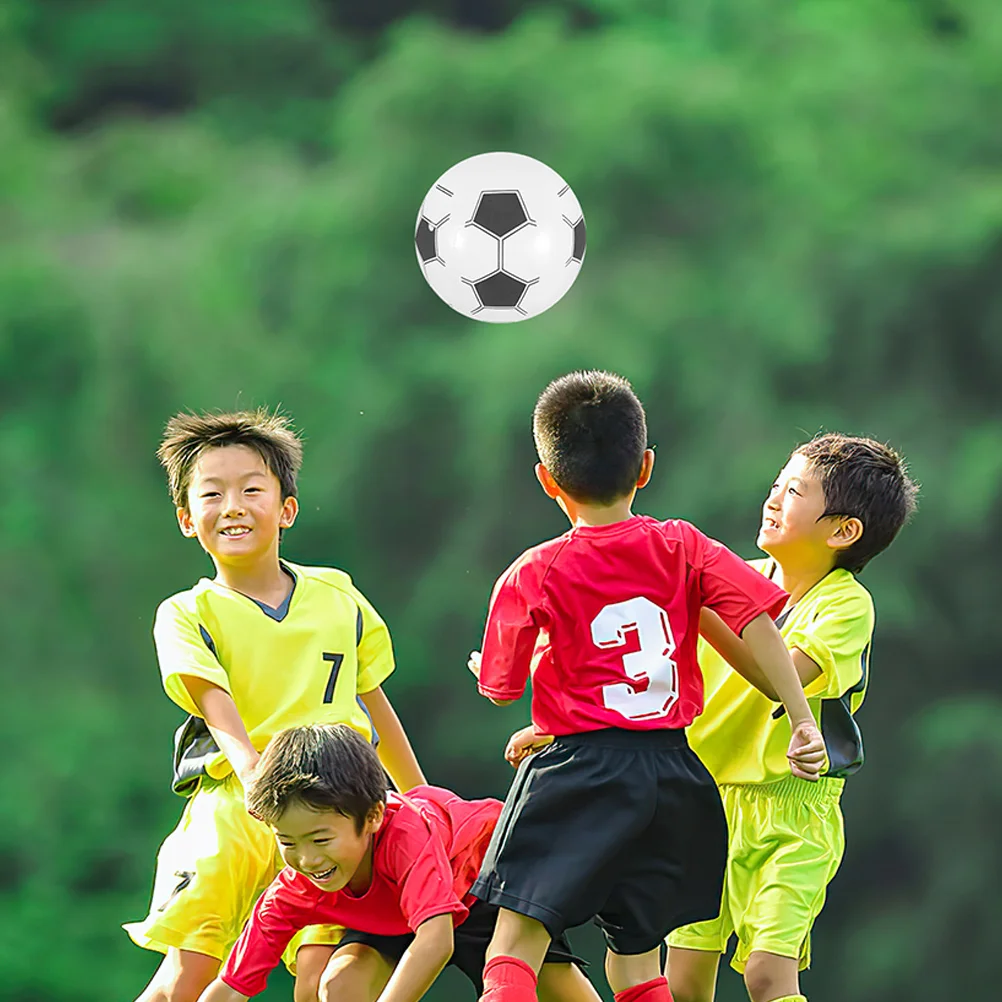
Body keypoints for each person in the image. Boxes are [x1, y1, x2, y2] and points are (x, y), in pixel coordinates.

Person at [467, 371, 827, 1002]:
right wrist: (801, 719)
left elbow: (501, 688)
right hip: (672, 777)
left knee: (512, 946)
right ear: (645, 467)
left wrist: (497, 674)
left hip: (577, 773)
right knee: (636, 963)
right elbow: (759, 621)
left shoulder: (535, 570)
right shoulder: (683, 545)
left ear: (546, 479)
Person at [124, 409, 426, 1002]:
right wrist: (261, 784)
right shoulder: (187, 613)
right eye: (212, 494)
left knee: (322, 975)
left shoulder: (338, 594)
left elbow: (372, 704)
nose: (232, 506)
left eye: (251, 490)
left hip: (335, 813)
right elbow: (216, 708)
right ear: (187, 519)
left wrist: (421, 799)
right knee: (192, 976)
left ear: (286, 508)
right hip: (236, 811)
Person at [665, 433, 917, 1002]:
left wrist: (699, 608)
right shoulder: (735, 578)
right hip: (702, 802)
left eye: (794, 491)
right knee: (682, 980)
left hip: (791, 815)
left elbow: (779, 674)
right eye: (777, 485)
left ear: (842, 531)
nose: (773, 499)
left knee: (767, 975)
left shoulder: (845, 604)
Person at [196, 724, 603, 1002]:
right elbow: (231, 986)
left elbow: (435, 941)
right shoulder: (296, 888)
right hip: (395, 914)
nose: (307, 859)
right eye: (288, 841)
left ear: (372, 817)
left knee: (556, 992)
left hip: (482, 887)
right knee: (340, 986)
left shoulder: (406, 837)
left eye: (320, 839)